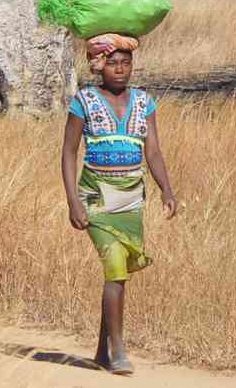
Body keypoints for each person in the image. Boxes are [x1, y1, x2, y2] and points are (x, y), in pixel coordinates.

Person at [60, 33, 177, 375]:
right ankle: (119, 350)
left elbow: (153, 150)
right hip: (96, 195)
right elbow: (68, 152)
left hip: (130, 198)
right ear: (98, 66)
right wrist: (72, 201)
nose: (120, 70)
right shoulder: (84, 100)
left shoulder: (144, 102)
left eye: (126, 63)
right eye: (112, 63)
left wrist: (166, 190)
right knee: (114, 266)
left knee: (119, 272)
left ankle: (100, 350)